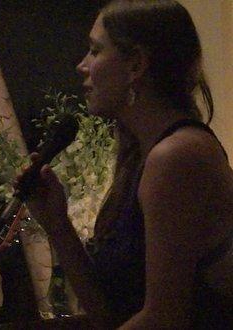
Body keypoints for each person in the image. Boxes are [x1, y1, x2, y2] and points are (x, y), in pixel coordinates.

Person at [19, 0, 233, 328]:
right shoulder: (139, 155)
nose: (82, 65)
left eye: (95, 50)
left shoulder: (177, 156)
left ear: (135, 65)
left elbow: (163, 319)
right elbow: (108, 315)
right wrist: (56, 223)